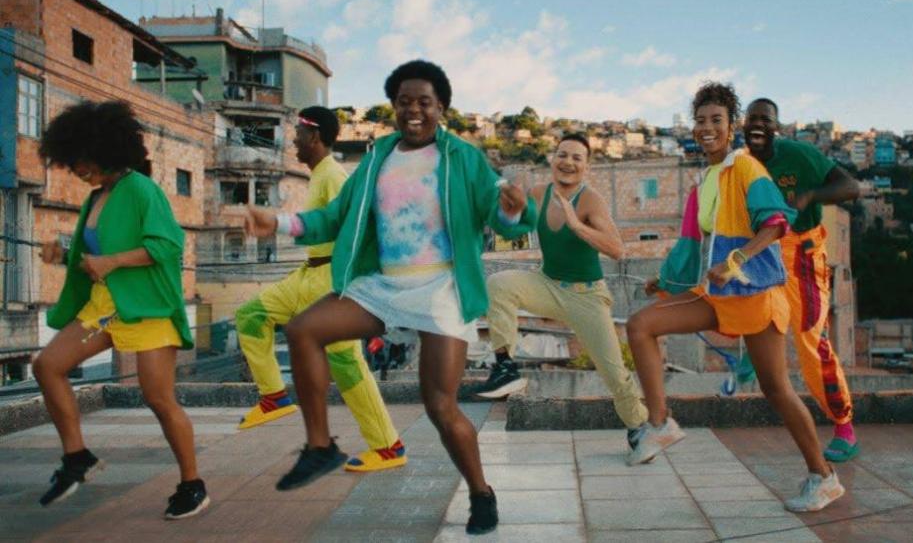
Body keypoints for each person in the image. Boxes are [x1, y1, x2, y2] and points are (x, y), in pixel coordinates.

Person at [244, 60, 537, 535]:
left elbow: (498, 213)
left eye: (425, 102)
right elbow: (334, 217)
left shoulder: (462, 157)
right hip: (382, 285)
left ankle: (481, 493)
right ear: (393, 107)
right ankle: (320, 446)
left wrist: (510, 213)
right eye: (404, 102)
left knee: (440, 407)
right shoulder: (378, 157)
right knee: (302, 330)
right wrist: (277, 223)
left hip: (440, 289)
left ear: (441, 108)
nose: (413, 110)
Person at [626, 83, 844, 512]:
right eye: (700, 120)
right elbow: (691, 245)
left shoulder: (745, 168)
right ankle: (660, 423)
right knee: (641, 325)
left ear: (731, 127)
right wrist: (664, 282)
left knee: (777, 390)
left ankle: (823, 477)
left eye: (717, 120)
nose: (707, 127)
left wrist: (736, 260)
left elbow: (776, 223)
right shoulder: (703, 182)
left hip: (756, 294)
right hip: (719, 294)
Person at [33, 101, 209, 519]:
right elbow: (96, 256)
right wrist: (64, 255)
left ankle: (192, 485)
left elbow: (167, 245)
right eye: (72, 161)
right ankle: (77, 457)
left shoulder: (141, 189)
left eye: (83, 159)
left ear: (106, 149)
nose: (78, 169)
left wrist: (111, 262)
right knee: (47, 366)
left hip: (146, 309)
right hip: (104, 307)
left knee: (159, 399)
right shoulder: (97, 196)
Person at [233, 107, 406, 473]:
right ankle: (273, 396)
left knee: (346, 363)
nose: (292, 140)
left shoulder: (334, 176)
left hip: (330, 279)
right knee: (251, 315)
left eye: (297, 133)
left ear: (314, 136)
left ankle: (388, 446)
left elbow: (354, 226)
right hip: (306, 275)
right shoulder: (318, 176)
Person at [483, 133, 650, 452]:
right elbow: (509, 226)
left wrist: (576, 225)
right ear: (552, 159)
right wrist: (508, 208)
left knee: (613, 371)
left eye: (577, 157)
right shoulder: (539, 193)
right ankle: (504, 365)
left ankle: (638, 425)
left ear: (587, 166)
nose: (568, 162)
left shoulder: (590, 200)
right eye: (562, 154)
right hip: (547, 284)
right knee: (499, 284)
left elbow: (617, 249)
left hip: (586, 295)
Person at [744, 97, 861, 462]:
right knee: (738, 307)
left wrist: (812, 195)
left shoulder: (800, 156)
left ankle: (843, 425)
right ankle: (748, 355)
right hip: (763, 252)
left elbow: (851, 187)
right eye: (752, 119)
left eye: (765, 119)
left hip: (803, 258)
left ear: (776, 127)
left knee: (811, 341)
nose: (758, 124)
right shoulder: (742, 164)